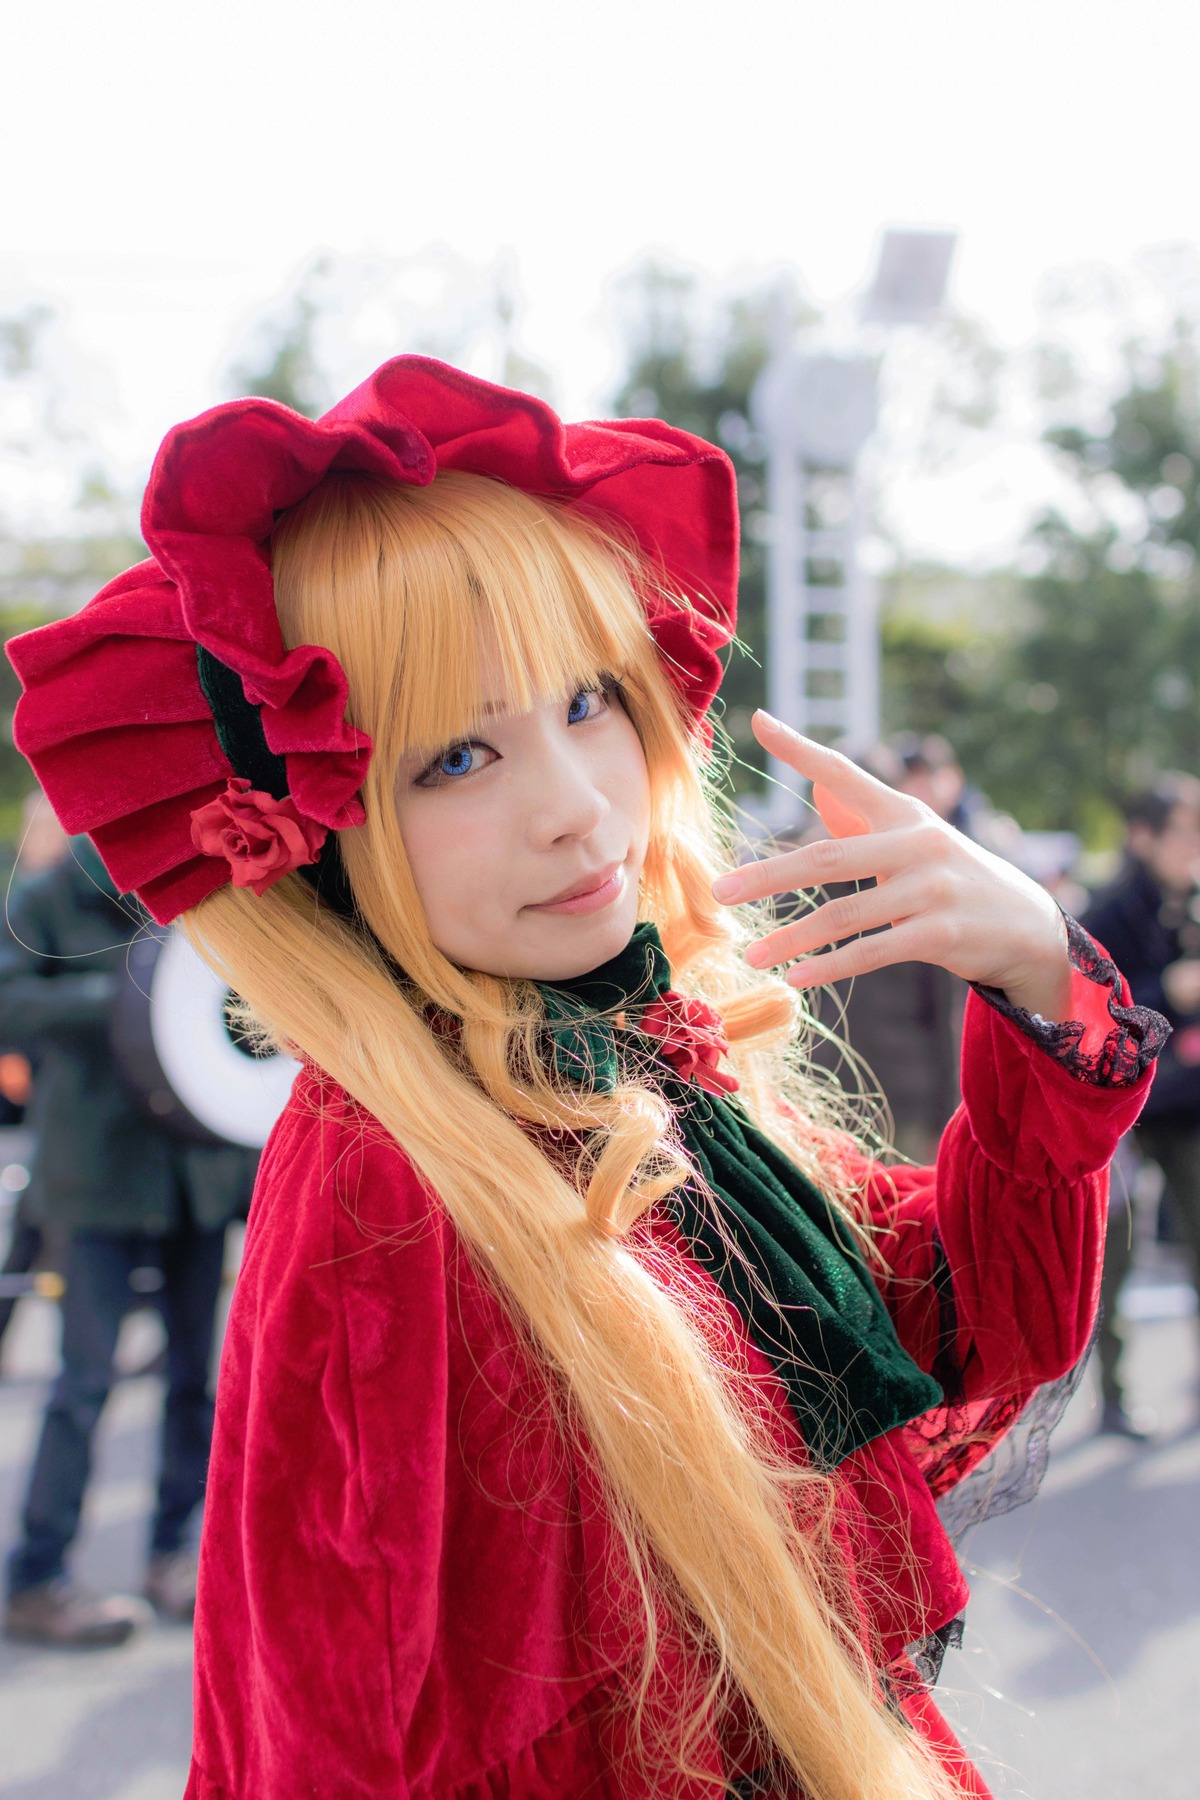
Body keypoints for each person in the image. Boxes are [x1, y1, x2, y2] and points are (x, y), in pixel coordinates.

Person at [5, 360, 1166, 1798]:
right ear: (321, 827)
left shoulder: (618, 1049)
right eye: (456, 758)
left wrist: (1042, 979)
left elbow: (950, 1321)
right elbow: (363, 1741)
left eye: (586, 700)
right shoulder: (395, 1176)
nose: (573, 806)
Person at [0, 837, 257, 1645]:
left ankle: (175, 1554)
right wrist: (131, 997)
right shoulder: (48, 894)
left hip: (193, 1169)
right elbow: (11, 1003)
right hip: (96, 1172)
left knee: (195, 1379)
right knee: (84, 1383)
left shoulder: (206, 883)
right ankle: (38, 1576)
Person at [1083, 774, 1200, 1432]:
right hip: (1123, 1114)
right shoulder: (1110, 913)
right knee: (1116, 1259)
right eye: (1183, 830)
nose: (1193, 845)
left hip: (1190, 1110)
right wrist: (1167, 990)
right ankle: (1114, 1396)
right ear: (1144, 837)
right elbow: (1094, 1014)